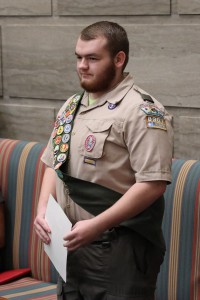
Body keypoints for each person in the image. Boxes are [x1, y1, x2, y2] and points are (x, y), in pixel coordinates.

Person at [34, 21, 173, 300]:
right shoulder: (73, 105)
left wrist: (96, 225)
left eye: (93, 58)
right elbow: (54, 164)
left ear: (119, 59)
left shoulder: (142, 111)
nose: (82, 66)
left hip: (118, 247)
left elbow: (153, 183)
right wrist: (42, 212)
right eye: (79, 57)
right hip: (70, 244)